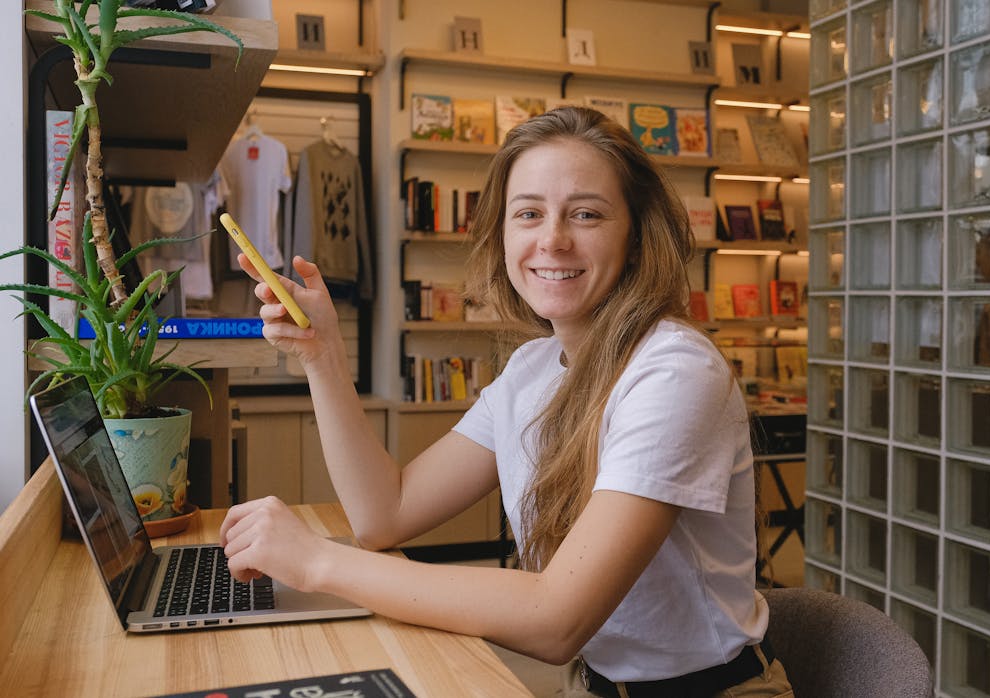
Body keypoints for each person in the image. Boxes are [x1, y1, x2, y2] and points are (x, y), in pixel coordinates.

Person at [220, 106, 792, 698]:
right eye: (528, 214)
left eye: (587, 214)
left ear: (637, 234)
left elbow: (555, 620)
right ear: (502, 234)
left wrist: (316, 563)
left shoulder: (675, 373)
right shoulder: (532, 369)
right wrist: (323, 355)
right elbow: (383, 513)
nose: (553, 239)